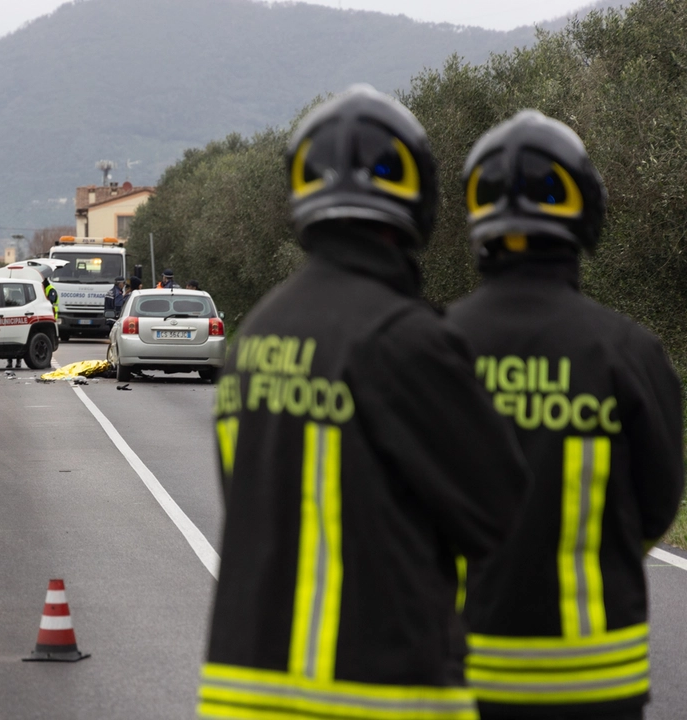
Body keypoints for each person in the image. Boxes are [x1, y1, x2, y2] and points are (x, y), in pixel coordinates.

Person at [199, 85, 531, 720]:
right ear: (418, 197)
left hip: (241, 692)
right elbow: (500, 511)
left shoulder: (255, 336)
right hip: (380, 693)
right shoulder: (405, 339)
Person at [446, 111, 683, 720]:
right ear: (586, 211)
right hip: (599, 675)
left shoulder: (435, 346)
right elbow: (659, 504)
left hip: (467, 671)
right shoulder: (630, 351)